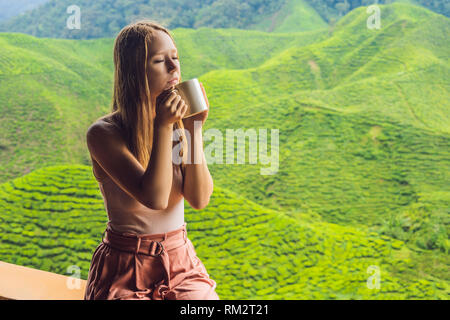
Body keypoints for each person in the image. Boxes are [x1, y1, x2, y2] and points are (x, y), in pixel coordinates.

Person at [83, 20, 219, 300]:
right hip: (126, 264)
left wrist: (194, 128)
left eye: (175, 58)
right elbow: (154, 198)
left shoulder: (178, 126)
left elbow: (200, 199)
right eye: (159, 60)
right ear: (135, 72)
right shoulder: (104, 134)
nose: (174, 68)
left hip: (179, 259)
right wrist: (162, 126)